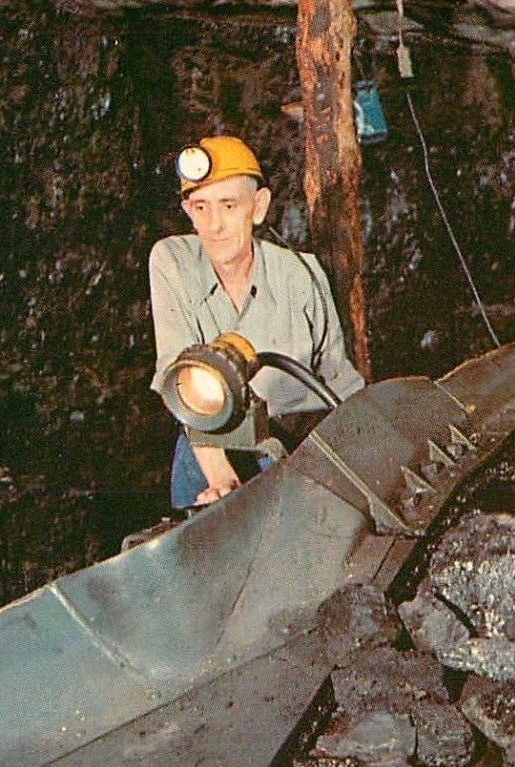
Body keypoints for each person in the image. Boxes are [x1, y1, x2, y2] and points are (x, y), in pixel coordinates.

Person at [149, 134, 365, 507]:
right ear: (188, 212)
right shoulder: (173, 262)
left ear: (259, 206)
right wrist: (222, 482)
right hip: (209, 447)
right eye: (201, 207)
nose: (214, 225)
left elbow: (341, 385)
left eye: (229, 205)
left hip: (296, 447)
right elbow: (178, 376)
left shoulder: (300, 275)